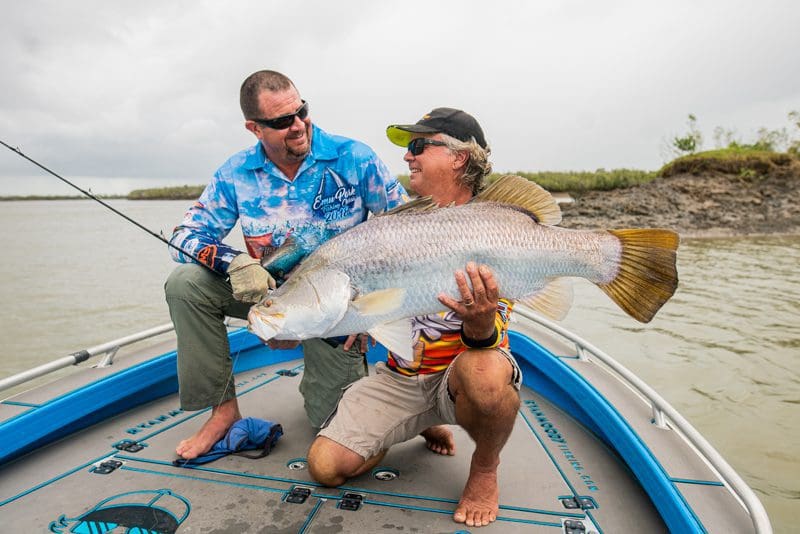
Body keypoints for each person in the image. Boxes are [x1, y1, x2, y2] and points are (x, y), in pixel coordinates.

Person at [164, 70, 407, 460]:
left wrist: (372, 311)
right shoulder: (235, 173)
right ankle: (223, 412)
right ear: (255, 128)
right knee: (185, 283)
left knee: (336, 433)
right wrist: (234, 262)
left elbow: (409, 228)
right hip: (271, 297)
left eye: (302, 111)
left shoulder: (354, 158)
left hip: (341, 309)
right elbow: (183, 236)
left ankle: (410, 407)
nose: (298, 126)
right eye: (281, 121)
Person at [306, 108, 521, 528]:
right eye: (409, 148)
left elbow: (491, 336)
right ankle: (417, 424)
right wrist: (360, 318)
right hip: (402, 376)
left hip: (461, 379)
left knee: (488, 372)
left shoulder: (497, 227)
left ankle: (484, 468)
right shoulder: (398, 223)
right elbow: (378, 296)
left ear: (458, 158)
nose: (408, 156)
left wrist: (479, 323)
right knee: (325, 467)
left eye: (419, 146)